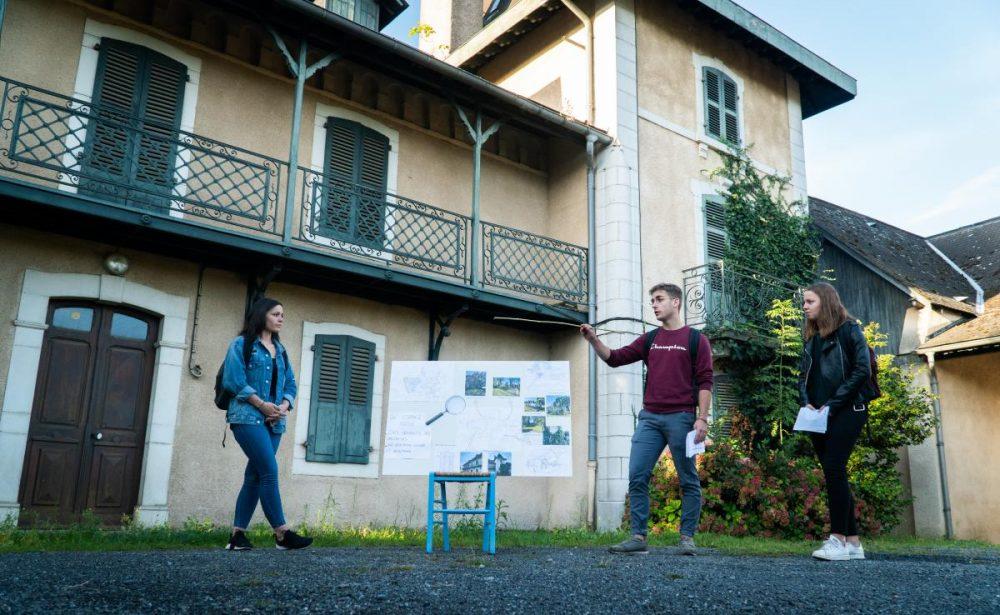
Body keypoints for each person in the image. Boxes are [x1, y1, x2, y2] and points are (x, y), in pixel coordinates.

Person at [581, 283, 713, 555]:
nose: (654, 304)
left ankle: (687, 538)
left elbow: (705, 382)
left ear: (675, 302)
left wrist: (702, 419)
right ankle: (638, 538)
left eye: (659, 299)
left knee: (688, 479)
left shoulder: (695, 339)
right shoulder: (650, 339)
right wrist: (594, 340)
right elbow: (615, 359)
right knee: (637, 475)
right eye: (652, 300)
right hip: (650, 418)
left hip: (682, 418)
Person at [222, 297, 312, 551]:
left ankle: (236, 536)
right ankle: (282, 534)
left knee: (254, 475)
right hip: (247, 418)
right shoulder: (241, 344)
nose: (281, 318)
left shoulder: (280, 351)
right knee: (269, 472)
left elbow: (291, 385)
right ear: (262, 315)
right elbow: (234, 380)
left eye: (283, 314)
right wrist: (261, 404)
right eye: (276, 314)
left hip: (274, 422)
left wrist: (283, 406)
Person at [798, 282, 871, 561]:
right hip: (817, 415)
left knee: (833, 466)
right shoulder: (811, 339)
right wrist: (806, 401)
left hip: (848, 409)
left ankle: (838, 540)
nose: (804, 307)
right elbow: (802, 375)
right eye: (804, 302)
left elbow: (861, 370)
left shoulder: (849, 330)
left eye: (810, 301)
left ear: (825, 302)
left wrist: (832, 404)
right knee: (833, 471)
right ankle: (853, 543)